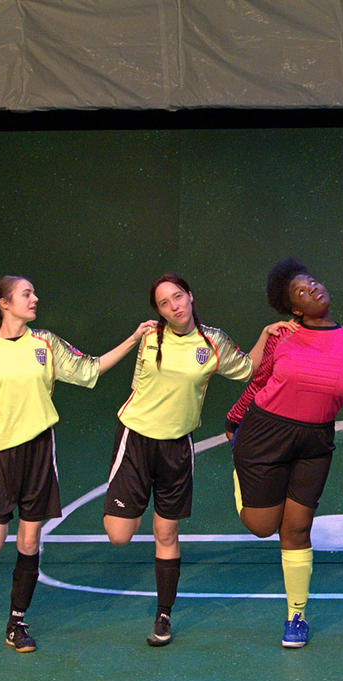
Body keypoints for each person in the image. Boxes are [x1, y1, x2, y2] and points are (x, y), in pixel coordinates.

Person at [0, 275, 150, 653]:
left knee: (29, 540)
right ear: (4, 303)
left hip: (39, 453)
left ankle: (17, 622)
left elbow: (89, 369)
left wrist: (133, 339)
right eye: (26, 294)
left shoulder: (45, 343)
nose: (34, 298)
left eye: (33, 293)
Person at [102, 273, 292, 646]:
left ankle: (163, 616)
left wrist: (265, 335)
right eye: (164, 303)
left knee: (166, 532)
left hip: (177, 446)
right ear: (159, 312)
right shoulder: (149, 337)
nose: (174, 306)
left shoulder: (212, 342)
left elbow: (247, 368)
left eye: (178, 297)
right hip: (136, 439)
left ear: (190, 296)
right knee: (119, 534)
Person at [226, 258, 343, 648]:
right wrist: (235, 420)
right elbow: (258, 381)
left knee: (296, 529)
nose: (313, 290)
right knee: (262, 526)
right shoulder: (282, 336)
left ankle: (296, 616)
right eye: (302, 291)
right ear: (294, 307)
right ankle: (241, 466)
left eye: (314, 283)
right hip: (264, 433)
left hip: (315, 442)